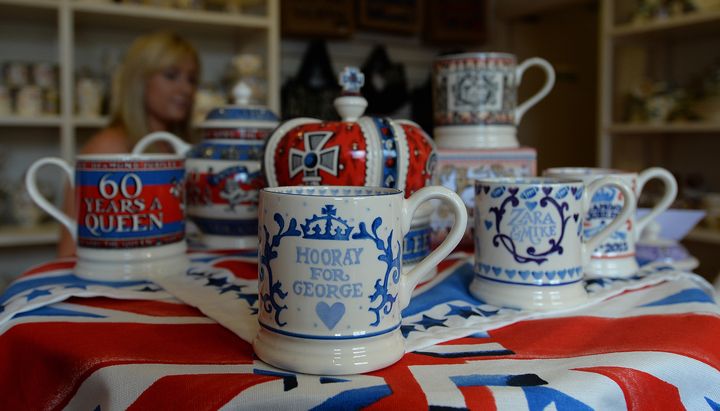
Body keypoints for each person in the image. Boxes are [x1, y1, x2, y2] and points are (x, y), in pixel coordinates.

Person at [57, 31, 200, 257]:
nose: (186, 90)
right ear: (139, 81)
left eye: (191, 79)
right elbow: (70, 252)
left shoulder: (178, 147)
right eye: (171, 76)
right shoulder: (107, 148)